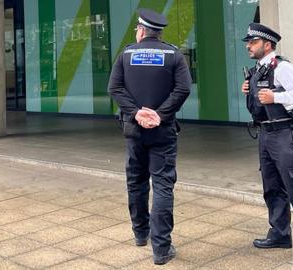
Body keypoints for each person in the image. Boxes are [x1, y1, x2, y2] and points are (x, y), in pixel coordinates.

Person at [108, 8, 191, 265]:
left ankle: (140, 234)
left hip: (134, 132)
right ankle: (161, 249)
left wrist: (135, 113)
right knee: (163, 186)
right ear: (158, 32)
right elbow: (183, 88)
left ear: (142, 31)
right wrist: (160, 114)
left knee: (136, 182)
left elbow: (114, 88)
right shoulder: (174, 55)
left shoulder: (126, 54)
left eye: (136, 29)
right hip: (163, 132)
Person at [240, 22, 293, 256]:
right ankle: (280, 234)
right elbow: (261, 98)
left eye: (253, 42)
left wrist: (275, 97)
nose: (249, 46)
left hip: (284, 133)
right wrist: (250, 90)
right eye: (248, 42)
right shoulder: (258, 69)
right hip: (266, 133)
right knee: (272, 187)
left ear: (267, 45)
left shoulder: (282, 67)